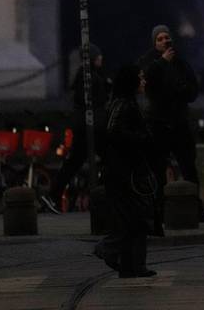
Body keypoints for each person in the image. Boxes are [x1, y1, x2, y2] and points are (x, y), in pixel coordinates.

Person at [138, 24, 204, 224]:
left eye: (166, 37)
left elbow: (192, 90)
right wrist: (162, 63)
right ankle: (157, 210)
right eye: (159, 38)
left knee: (188, 167)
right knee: (157, 169)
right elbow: (148, 82)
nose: (164, 41)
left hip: (179, 122)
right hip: (158, 122)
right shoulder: (150, 61)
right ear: (154, 42)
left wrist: (180, 90)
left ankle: (196, 209)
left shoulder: (181, 63)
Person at [94, 65, 157, 278]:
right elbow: (115, 132)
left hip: (123, 169)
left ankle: (132, 266)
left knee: (133, 219)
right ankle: (109, 250)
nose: (143, 81)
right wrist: (143, 137)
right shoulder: (124, 104)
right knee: (135, 217)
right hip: (125, 172)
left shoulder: (121, 102)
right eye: (140, 78)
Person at [47, 45, 111, 213]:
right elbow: (95, 100)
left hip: (86, 125)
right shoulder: (88, 76)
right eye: (98, 57)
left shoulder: (88, 74)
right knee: (110, 157)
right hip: (91, 127)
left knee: (74, 162)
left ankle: (54, 194)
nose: (101, 59)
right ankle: (104, 194)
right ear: (93, 58)